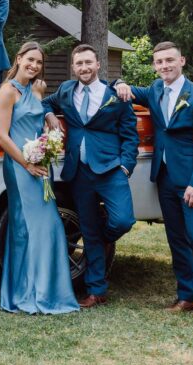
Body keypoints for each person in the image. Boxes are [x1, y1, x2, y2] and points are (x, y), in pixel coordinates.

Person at [114, 41, 193, 324]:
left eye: (169, 60)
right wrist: (121, 82)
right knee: (176, 239)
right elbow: (122, 89)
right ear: (154, 65)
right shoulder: (155, 90)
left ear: (182, 61)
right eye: (159, 62)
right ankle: (186, 296)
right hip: (163, 179)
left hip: (192, 181)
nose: (164, 66)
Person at [42, 44, 138, 307]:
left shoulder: (115, 94)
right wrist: (50, 114)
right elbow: (42, 103)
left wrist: (125, 166)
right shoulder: (65, 90)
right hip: (78, 172)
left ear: (98, 65)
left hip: (110, 169)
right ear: (73, 68)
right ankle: (96, 290)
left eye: (88, 63)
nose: (84, 68)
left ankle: (101, 238)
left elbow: (131, 136)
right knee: (88, 227)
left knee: (123, 221)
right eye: (79, 64)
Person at [0, 41, 79, 314]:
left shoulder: (37, 89)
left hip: (40, 162)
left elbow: (37, 117)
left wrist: (49, 116)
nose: (34, 65)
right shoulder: (7, 92)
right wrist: (26, 164)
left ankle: (46, 290)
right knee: (26, 228)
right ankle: (23, 293)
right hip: (20, 166)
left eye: (39, 62)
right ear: (18, 58)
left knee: (50, 226)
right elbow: (1, 135)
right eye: (29, 60)